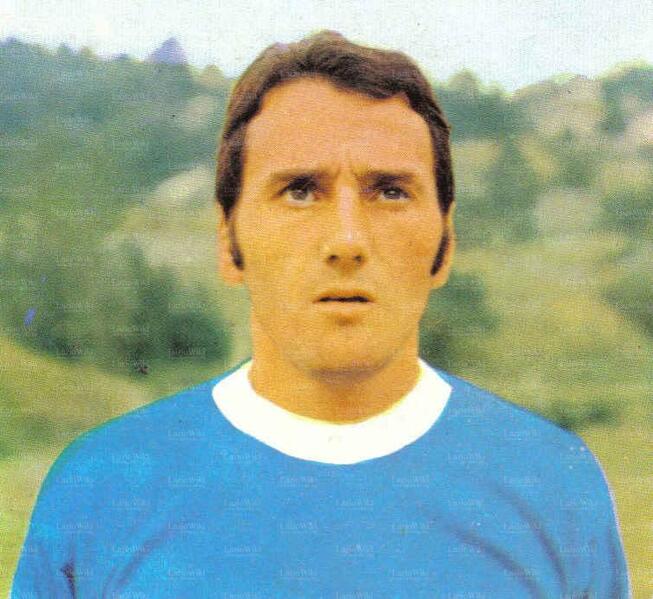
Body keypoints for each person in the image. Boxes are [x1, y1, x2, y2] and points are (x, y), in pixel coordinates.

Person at [12, 31, 629, 597]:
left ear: (445, 244)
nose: (347, 240)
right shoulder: (102, 487)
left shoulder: (554, 484)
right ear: (229, 240)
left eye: (391, 191)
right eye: (300, 190)